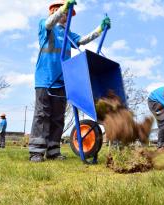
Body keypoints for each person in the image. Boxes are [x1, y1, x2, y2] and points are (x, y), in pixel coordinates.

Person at [29, 0, 111, 162]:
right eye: (64, 12)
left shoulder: (68, 34)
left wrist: (100, 29)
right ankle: (36, 151)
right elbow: (49, 23)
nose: (66, 16)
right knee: (42, 114)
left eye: (68, 14)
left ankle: (53, 150)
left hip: (62, 80)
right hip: (45, 79)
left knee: (58, 117)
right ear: (54, 11)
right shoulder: (45, 25)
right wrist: (64, 7)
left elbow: (83, 40)